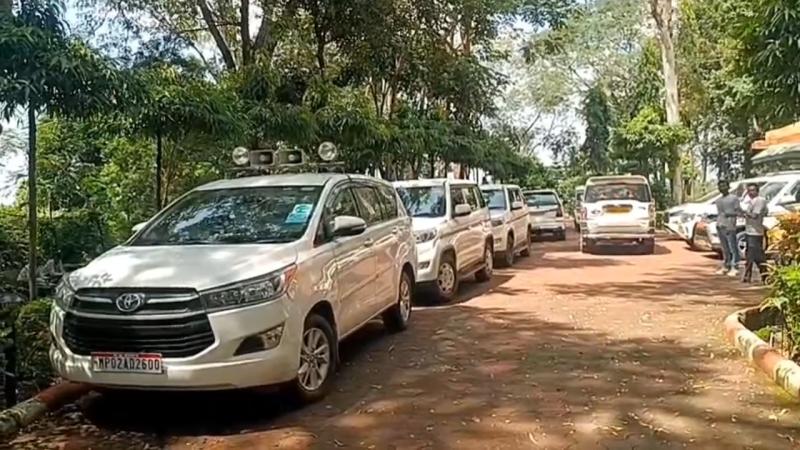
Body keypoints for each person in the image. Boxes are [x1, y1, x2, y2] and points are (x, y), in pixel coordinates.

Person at [741, 183, 768, 283]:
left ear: (757, 191)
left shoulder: (759, 201)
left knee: (756, 256)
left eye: (753, 190)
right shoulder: (751, 202)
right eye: (749, 191)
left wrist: (744, 213)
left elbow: (755, 215)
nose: (750, 193)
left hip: (755, 232)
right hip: (750, 231)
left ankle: (763, 274)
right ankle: (751, 275)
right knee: (751, 255)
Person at [714, 180, 742, 277]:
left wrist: (730, 214)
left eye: (724, 186)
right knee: (724, 247)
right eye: (720, 186)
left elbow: (739, 212)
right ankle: (726, 264)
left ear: (728, 187)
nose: (722, 188)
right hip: (720, 224)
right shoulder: (718, 200)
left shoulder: (734, 198)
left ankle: (735, 266)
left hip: (730, 225)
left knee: (732, 247)